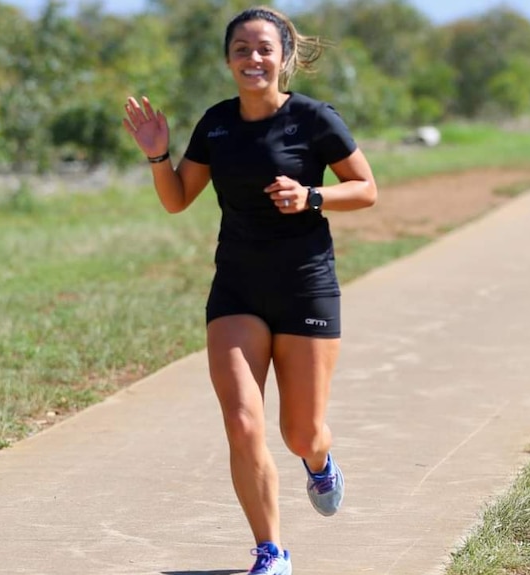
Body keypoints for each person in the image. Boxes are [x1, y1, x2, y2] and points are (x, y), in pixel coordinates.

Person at [123, 6, 377, 575]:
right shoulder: (216, 124)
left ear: (285, 57)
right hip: (237, 288)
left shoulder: (314, 119)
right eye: (241, 49)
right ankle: (272, 550)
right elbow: (176, 198)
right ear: (228, 60)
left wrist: (312, 196)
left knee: (300, 430)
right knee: (242, 421)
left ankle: (320, 460)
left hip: (305, 287)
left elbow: (366, 188)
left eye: (264, 48)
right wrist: (157, 154)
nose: (253, 58)